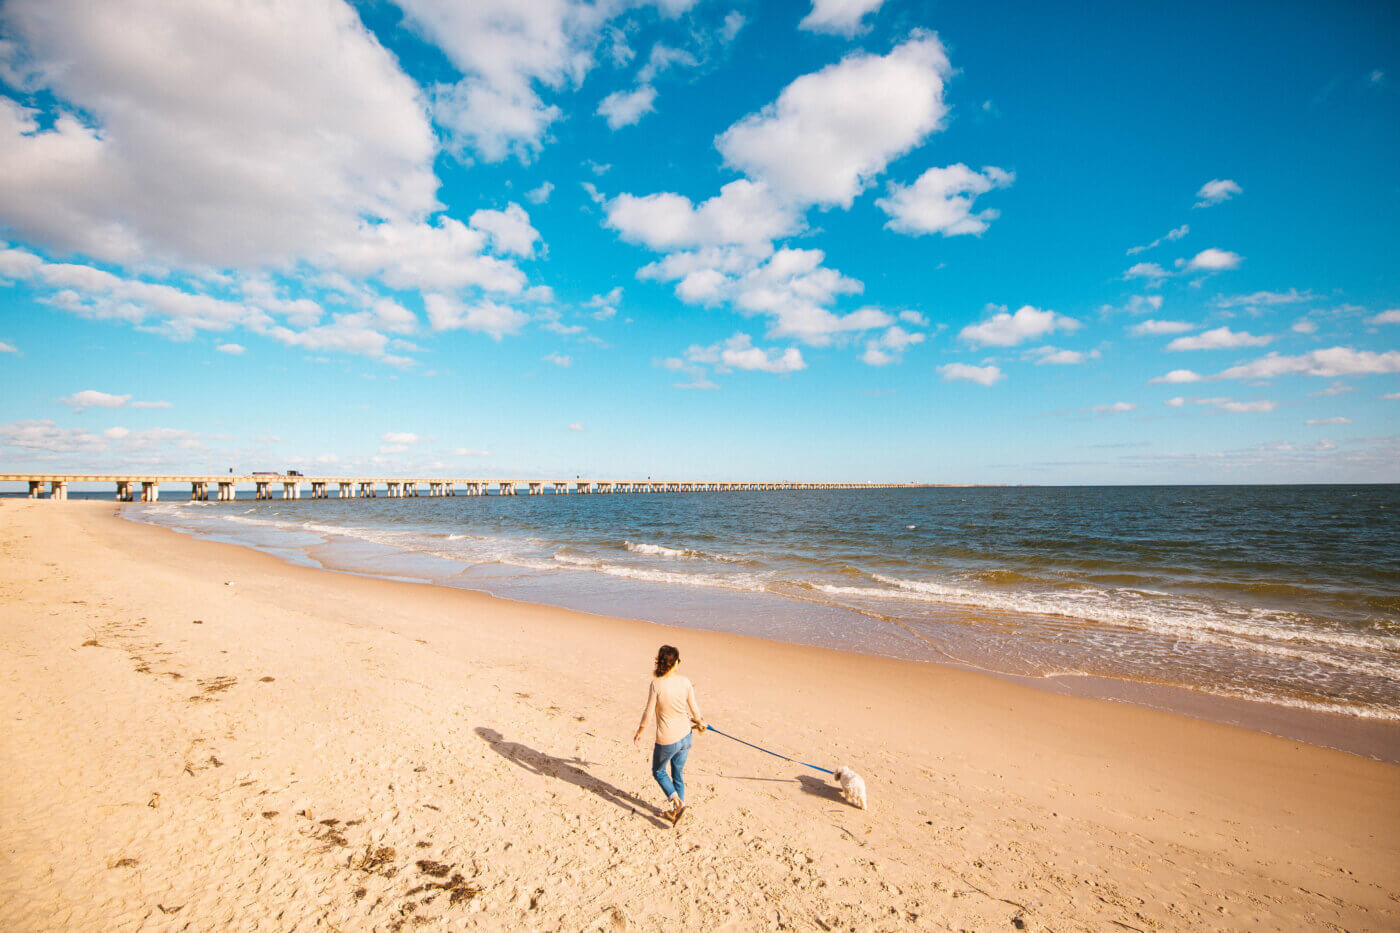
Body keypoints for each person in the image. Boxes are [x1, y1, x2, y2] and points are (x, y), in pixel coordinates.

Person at [633, 644, 706, 825]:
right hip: (686, 736)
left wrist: (640, 731)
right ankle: (676, 809)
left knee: (658, 771)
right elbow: (695, 709)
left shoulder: (656, 684)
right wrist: (700, 722)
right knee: (677, 773)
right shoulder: (685, 682)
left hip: (668, 739)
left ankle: (677, 804)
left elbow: (648, 712)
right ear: (674, 664)